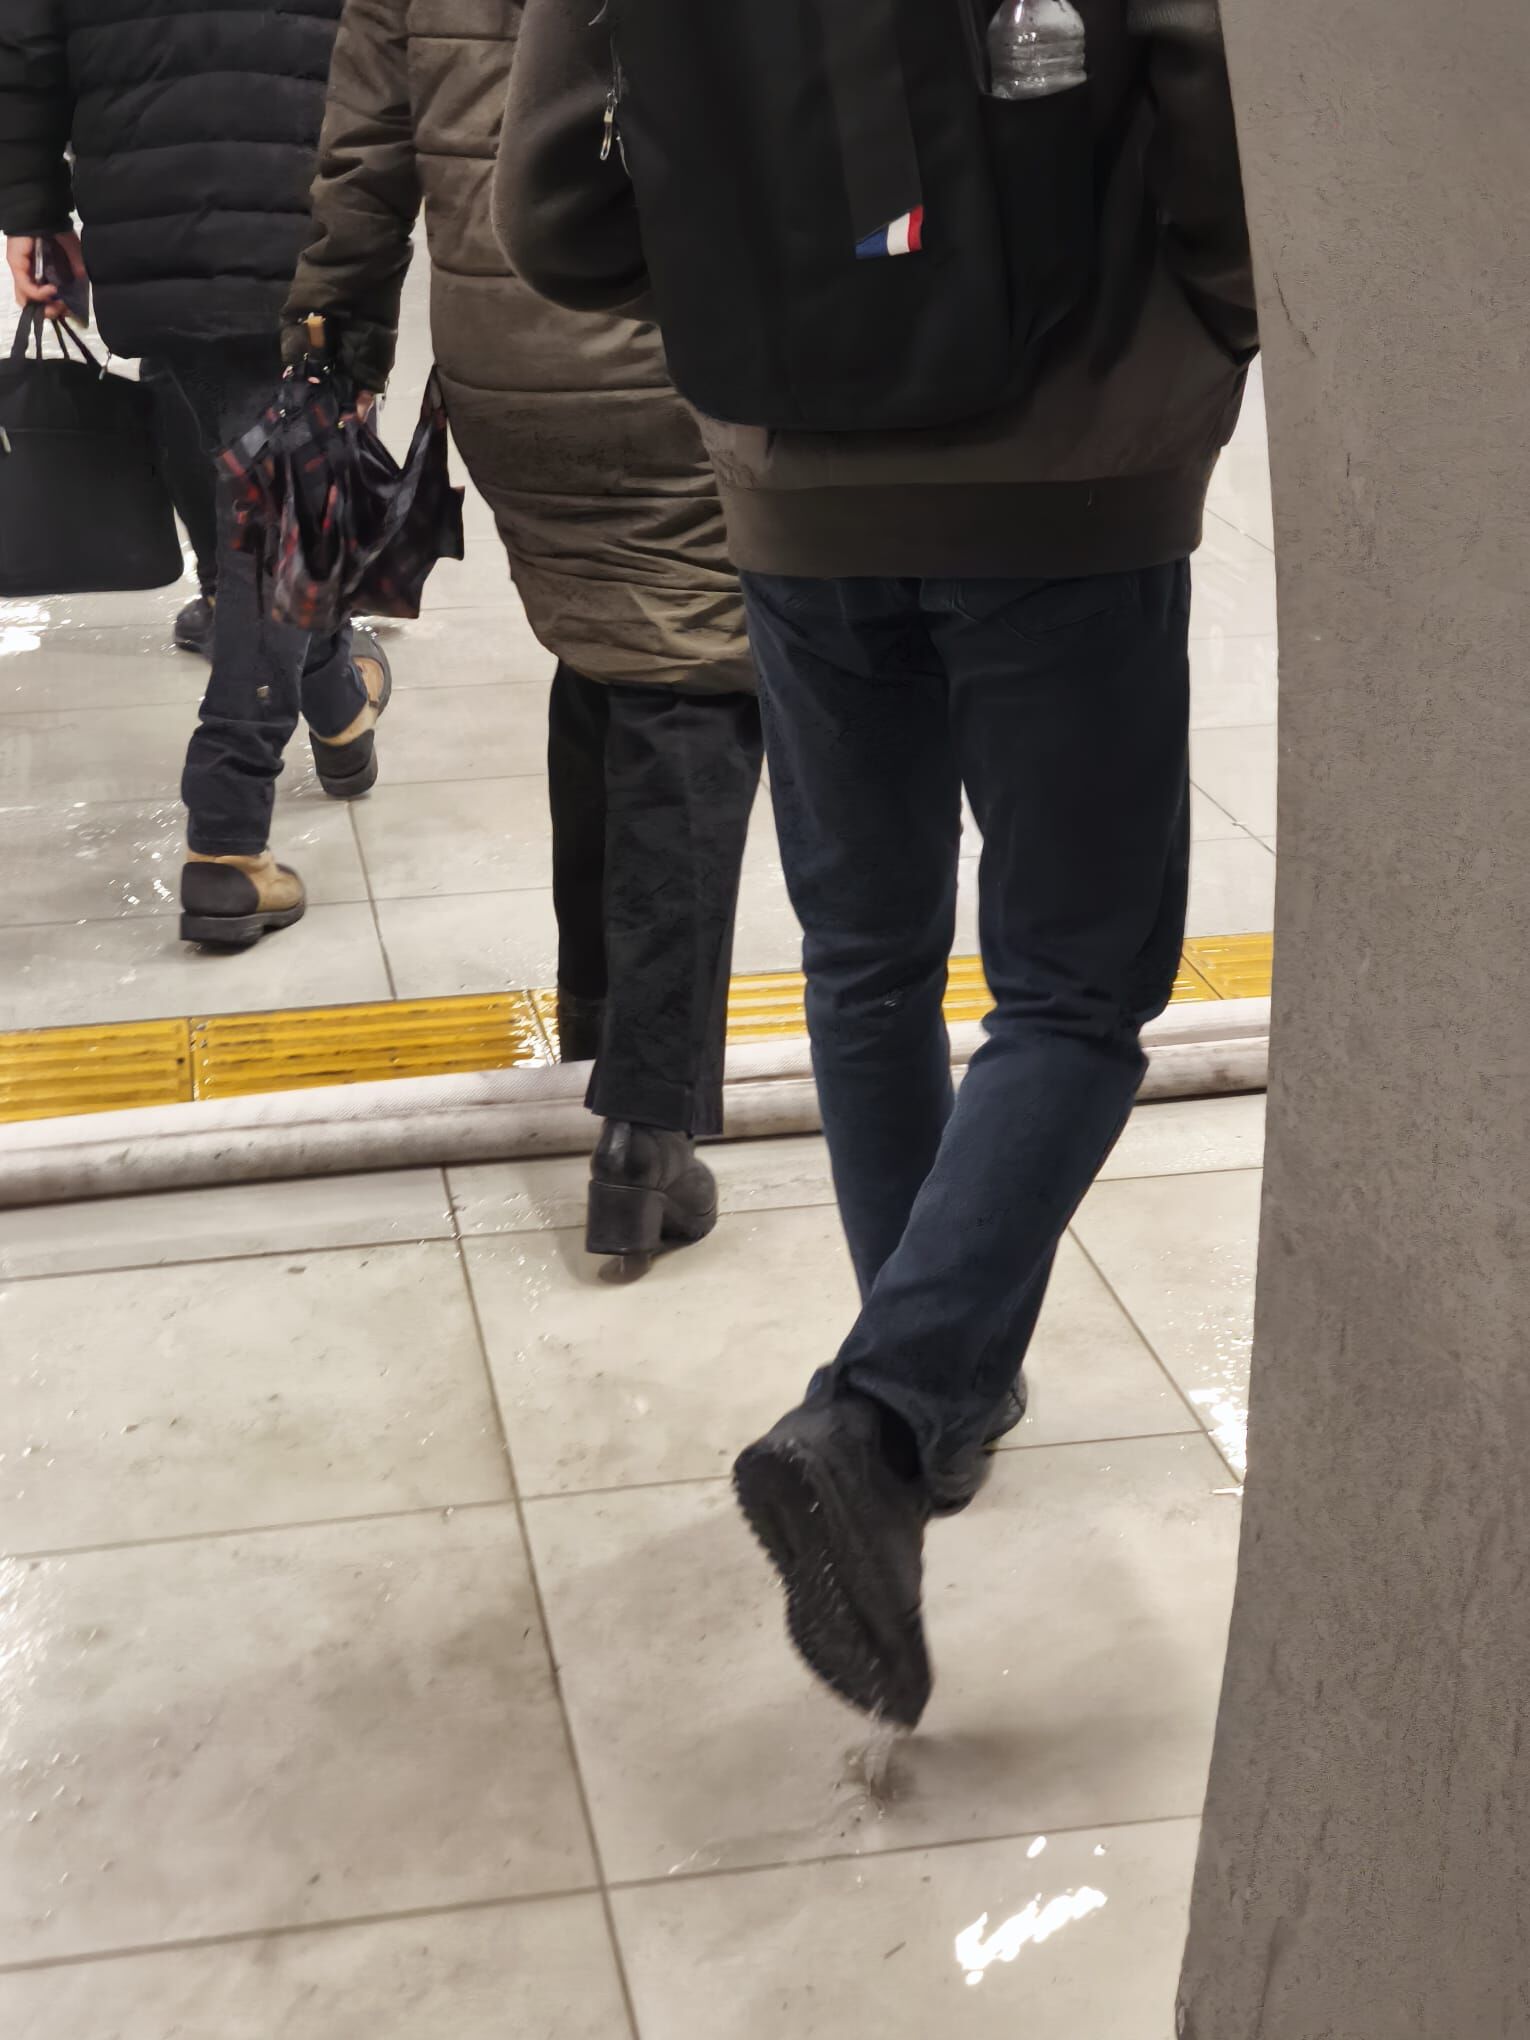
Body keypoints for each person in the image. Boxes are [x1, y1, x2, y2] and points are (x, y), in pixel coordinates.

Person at [496, 0, 1256, 1719]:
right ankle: (889, 1411)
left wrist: (766, 294)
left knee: (864, 959)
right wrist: (1208, 324)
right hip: (1072, 476)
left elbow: (551, 212)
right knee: (1073, 991)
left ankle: (930, 1401)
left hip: (795, 487)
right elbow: (1209, 100)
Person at [282, 0, 762, 1255]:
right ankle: (647, 1127)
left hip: (502, 364)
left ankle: (598, 1028)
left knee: (604, 659)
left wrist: (335, 337)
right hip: (677, 343)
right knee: (692, 683)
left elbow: (364, 149)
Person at [0, 0, 389, 949]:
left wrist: (32, 210)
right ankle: (227, 837)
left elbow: (23, 42)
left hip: (147, 209)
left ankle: (337, 704)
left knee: (260, 502)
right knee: (277, 518)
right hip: (305, 210)